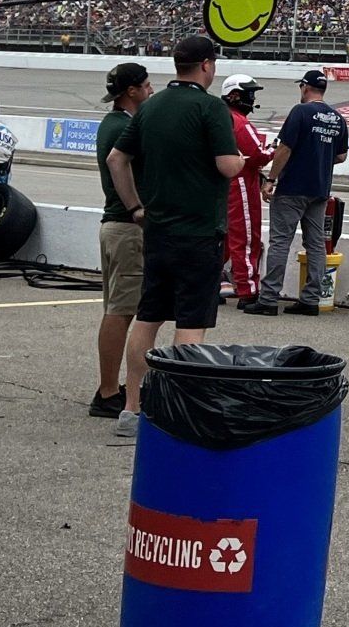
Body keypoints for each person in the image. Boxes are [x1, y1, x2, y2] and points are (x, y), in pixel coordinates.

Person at [105, 36, 245, 440]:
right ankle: (180, 412)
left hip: (158, 230)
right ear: (206, 65)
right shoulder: (211, 107)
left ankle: (132, 409)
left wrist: (135, 207)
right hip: (199, 231)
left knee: (148, 318)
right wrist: (241, 160)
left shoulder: (151, 106)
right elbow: (226, 166)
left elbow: (118, 158)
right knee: (191, 323)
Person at [248, 70, 348, 318]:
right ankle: (311, 299)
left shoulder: (300, 112)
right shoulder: (337, 118)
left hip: (293, 187)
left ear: (305, 87)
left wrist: (271, 179)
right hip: (320, 189)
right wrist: (318, 160)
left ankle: (269, 299)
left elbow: (284, 149)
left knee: (280, 241)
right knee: (316, 244)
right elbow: (341, 155)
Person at [91, 62, 152, 418]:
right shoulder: (126, 129)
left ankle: (109, 386)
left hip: (115, 225)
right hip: (127, 227)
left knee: (117, 309)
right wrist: (137, 209)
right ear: (131, 91)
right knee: (122, 311)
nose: (151, 91)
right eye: (146, 85)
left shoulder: (110, 124)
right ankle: (109, 391)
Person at [219, 74, 272, 302]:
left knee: (222, 240)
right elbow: (259, 155)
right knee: (245, 238)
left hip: (219, 184)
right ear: (235, 95)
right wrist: (277, 148)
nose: (252, 99)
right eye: (249, 94)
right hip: (240, 182)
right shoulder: (239, 121)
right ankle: (247, 290)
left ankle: (209, 284)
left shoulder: (218, 117)